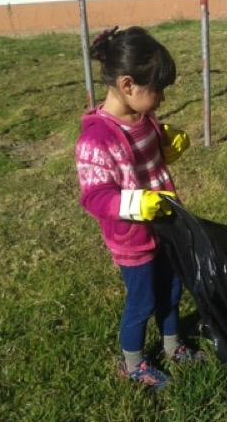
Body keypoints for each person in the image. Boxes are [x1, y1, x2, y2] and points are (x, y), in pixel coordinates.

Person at [75, 26, 201, 390]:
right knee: (143, 299)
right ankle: (132, 362)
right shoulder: (95, 139)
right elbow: (95, 196)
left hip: (165, 224)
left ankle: (173, 344)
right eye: (157, 90)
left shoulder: (142, 118)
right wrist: (137, 203)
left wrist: (168, 141)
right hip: (134, 238)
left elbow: (149, 146)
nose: (161, 98)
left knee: (174, 287)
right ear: (128, 85)